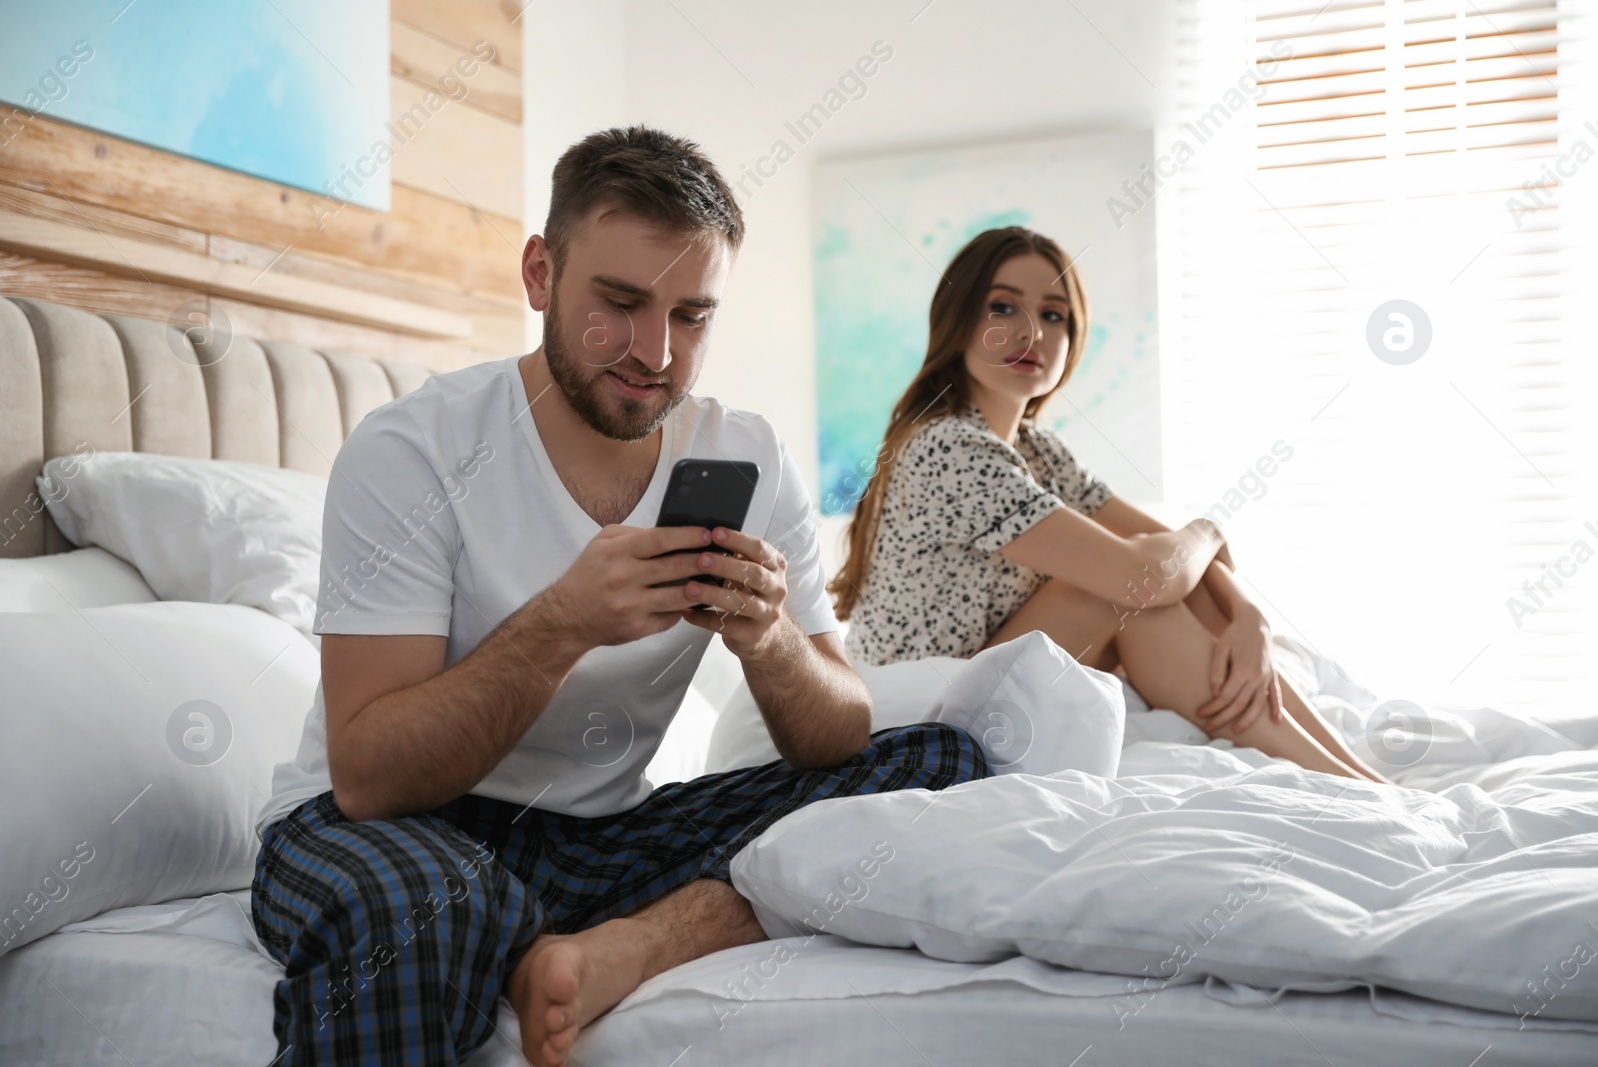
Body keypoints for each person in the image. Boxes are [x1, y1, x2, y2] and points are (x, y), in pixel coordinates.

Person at [249, 126, 989, 1067]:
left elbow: (839, 730)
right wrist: (562, 623)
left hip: (596, 841)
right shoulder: (414, 449)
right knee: (424, 904)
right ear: (540, 275)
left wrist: (768, 641)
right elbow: (368, 774)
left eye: (693, 316)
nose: (657, 353)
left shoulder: (746, 454)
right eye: (623, 303)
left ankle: (627, 947)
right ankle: (507, 929)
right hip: (384, 831)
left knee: (941, 760)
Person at [830, 226, 1385, 783]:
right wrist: (1207, 530)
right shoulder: (949, 447)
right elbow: (1151, 573)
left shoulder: (1035, 450)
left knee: (1150, 580)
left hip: (980, 691)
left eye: (1054, 315)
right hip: (918, 722)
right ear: (959, 321)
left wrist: (1250, 618)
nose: (1031, 332)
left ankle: (1354, 773)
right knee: (1125, 588)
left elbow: (1186, 564)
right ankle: (1348, 781)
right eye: (1003, 307)